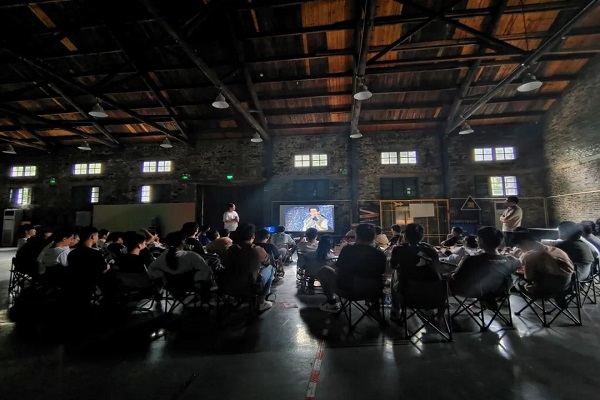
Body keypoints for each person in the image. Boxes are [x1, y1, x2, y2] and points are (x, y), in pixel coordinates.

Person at [318, 224, 386, 312]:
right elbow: (381, 273)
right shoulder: (380, 254)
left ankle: (332, 303)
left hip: (349, 290)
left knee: (324, 270)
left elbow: (338, 269)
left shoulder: (348, 250)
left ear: (357, 236)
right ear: (373, 237)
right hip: (374, 291)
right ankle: (374, 307)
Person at [449, 227, 518, 305]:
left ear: (481, 240)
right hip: (499, 293)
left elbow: (456, 277)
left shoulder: (472, 259)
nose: (476, 240)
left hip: (474, 292)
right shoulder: (508, 260)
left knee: (442, 281)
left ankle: (442, 310)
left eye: (477, 238)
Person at [390, 223, 441, 320]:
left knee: (395, 273)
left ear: (405, 235)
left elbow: (393, 266)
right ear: (422, 236)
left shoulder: (398, 250)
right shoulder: (431, 250)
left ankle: (395, 309)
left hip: (407, 291)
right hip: (431, 294)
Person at [220, 223, 275, 311]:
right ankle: (261, 302)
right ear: (253, 236)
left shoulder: (230, 250)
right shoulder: (257, 249)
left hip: (228, 286)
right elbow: (268, 261)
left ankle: (237, 299)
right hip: (249, 286)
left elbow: (224, 263)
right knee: (270, 268)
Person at [512, 231, 574, 297]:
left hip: (546, 289)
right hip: (566, 287)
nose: (521, 250)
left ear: (524, 242)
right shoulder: (557, 250)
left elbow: (528, 277)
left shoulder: (529, 255)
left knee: (513, 274)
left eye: (519, 247)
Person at [147, 231, 213, 294]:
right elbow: (206, 271)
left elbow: (151, 270)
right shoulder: (192, 256)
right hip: (190, 286)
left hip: (171, 287)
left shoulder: (162, 257)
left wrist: (164, 278)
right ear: (182, 242)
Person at [64, 226, 112, 310]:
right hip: (90, 288)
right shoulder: (95, 254)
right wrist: (107, 266)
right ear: (92, 236)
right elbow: (103, 270)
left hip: (74, 287)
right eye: (97, 235)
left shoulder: (72, 253)